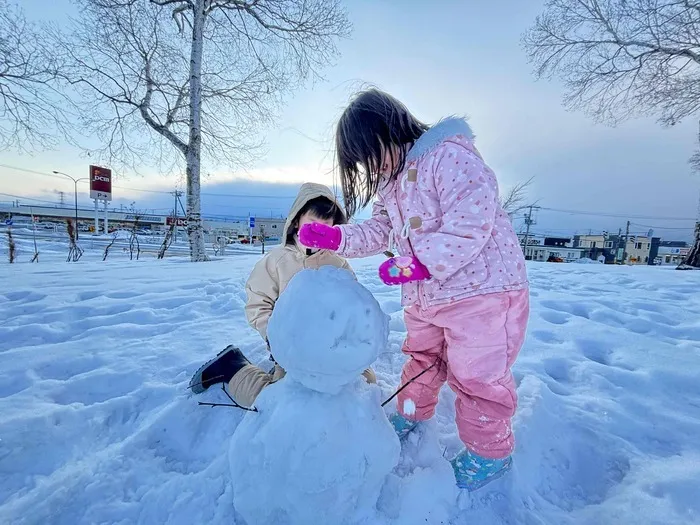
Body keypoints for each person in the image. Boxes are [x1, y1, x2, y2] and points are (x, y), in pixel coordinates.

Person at [298, 89, 529, 491]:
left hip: (482, 293)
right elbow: (380, 230)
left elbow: (472, 222)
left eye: (370, 154)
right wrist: (336, 238)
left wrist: (416, 262)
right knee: (421, 357)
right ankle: (411, 410)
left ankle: (490, 453)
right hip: (428, 296)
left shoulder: (449, 157)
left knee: (477, 375)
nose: (370, 166)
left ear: (389, 129)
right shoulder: (393, 186)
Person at [189, 183, 376, 407]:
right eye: (312, 224)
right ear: (297, 221)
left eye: (326, 226)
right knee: (284, 405)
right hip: (293, 351)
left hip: (334, 348)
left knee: (365, 385)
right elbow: (258, 304)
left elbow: (352, 306)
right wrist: (276, 338)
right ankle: (232, 367)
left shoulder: (338, 264)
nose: (318, 231)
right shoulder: (277, 261)